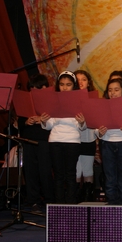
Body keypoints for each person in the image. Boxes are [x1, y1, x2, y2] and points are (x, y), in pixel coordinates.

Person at [40, 71, 87, 204]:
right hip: (55, 140)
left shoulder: (80, 101)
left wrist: (83, 121)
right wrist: (44, 121)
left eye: (68, 84)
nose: (65, 87)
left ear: (74, 86)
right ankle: (59, 205)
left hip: (72, 141)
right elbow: (48, 126)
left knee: (71, 174)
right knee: (58, 175)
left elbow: (83, 127)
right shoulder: (53, 101)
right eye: (61, 85)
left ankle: (70, 204)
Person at [18, 74, 54, 213]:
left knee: (45, 171)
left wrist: (42, 120)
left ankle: (49, 199)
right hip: (27, 139)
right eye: (31, 89)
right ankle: (33, 200)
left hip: (44, 140)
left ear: (45, 88)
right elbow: (20, 122)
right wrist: (26, 122)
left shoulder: (51, 101)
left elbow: (56, 120)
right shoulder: (26, 101)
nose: (33, 91)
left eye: (36, 88)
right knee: (30, 171)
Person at [74, 70, 99, 202]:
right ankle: (76, 198)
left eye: (84, 79)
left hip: (88, 137)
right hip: (73, 139)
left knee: (88, 169)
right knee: (76, 171)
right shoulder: (70, 99)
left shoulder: (93, 99)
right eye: (77, 80)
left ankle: (88, 198)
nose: (81, 82)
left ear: (88, 82)